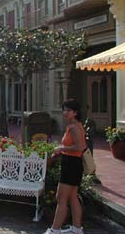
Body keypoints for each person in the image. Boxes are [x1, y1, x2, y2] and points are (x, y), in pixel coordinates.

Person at [44, 99, 87, 234]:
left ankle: (55, 230)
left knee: (61, 198)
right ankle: (76, 228)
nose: (65, 113)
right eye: (64, 110)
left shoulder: (74, 127)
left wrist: (61, 148)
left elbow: (80, 146)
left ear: (75, 112)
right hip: (73, 163)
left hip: (71, 164)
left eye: (68, 110)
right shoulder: (75, 125)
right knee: (73, 197)